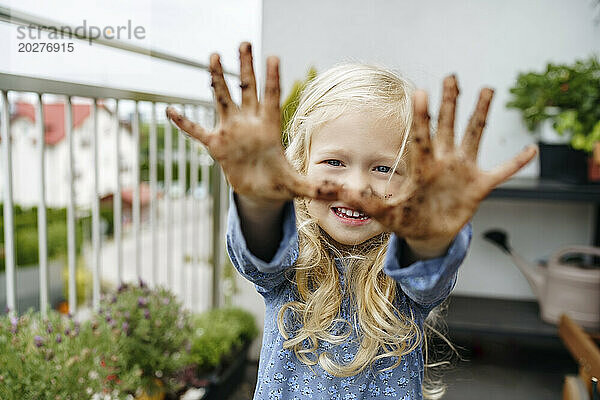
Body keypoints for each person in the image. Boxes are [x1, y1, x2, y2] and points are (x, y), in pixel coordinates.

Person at [166, 42, 537, 400]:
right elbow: (259, 252)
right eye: (335, 162)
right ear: (299, 166)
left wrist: (427, 235)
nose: (357, 187)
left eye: (384, 168)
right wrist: (258, 201)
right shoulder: (289, 258)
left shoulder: (404, 271)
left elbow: (427, 272)